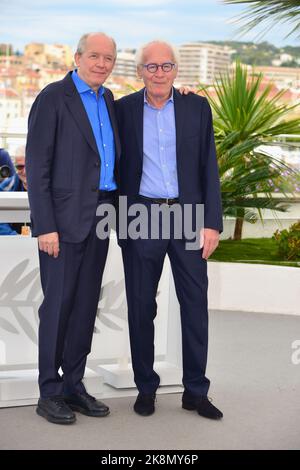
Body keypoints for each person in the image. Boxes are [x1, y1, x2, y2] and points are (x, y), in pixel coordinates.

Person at [115, 41, 223, 419]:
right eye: (151, 67)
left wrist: (212, 222)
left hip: (189, 216)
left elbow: (209, 166)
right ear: (140, 71)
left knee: (194, 304)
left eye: (166, 66)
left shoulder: (196, 106)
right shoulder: (122, 110)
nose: (159, 73)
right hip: (141, 215)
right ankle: (146, 386)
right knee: (142, 306)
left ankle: (196, 390)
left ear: (176, 70)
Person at [26, 32, 120, 425]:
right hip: (61, 225)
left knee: (84, 308)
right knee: (59, 307)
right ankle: (49, 392)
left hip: (101, 217)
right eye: (94, 56)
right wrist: (45, 225)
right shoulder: (53, 97)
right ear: (77, 57)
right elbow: (37, 164)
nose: (101, 64)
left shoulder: (109, 99)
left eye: (109, 58)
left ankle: (74, 386)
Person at [0, 145, 28, 235]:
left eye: (29, 165)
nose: (25, 171)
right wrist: (13, 237)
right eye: (20, 167)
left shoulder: (51, 188)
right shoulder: (6, 187)